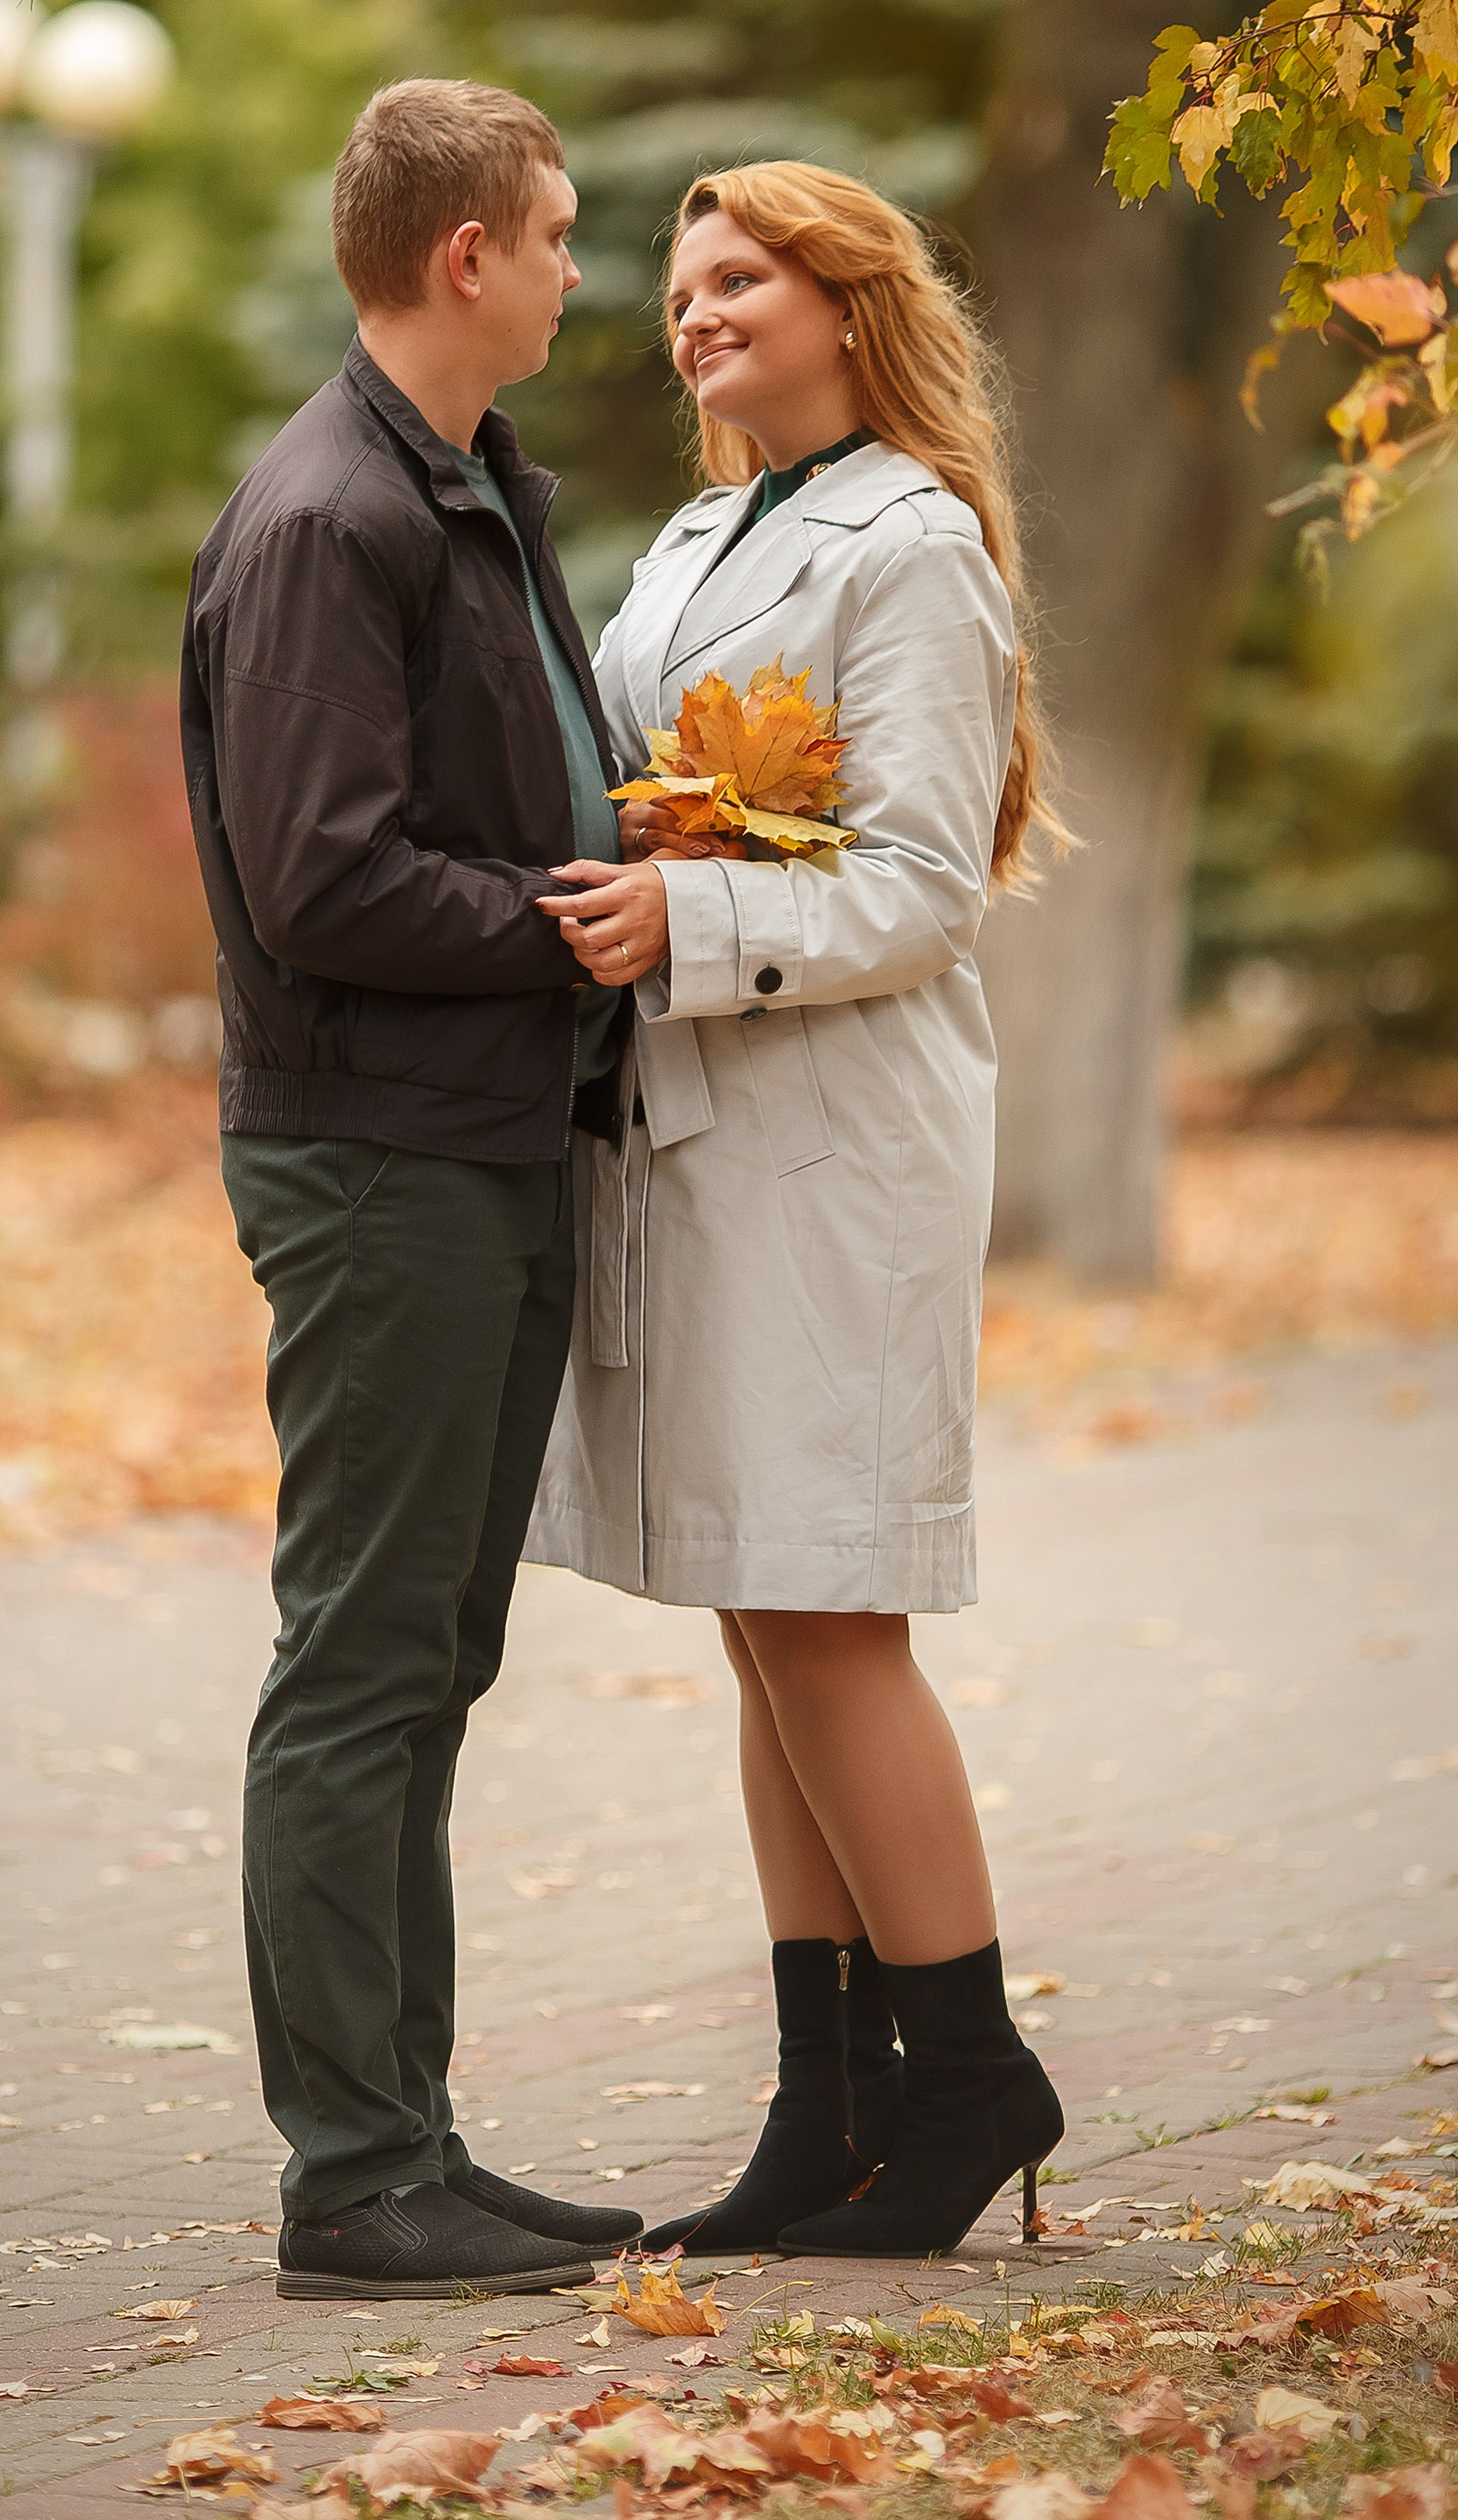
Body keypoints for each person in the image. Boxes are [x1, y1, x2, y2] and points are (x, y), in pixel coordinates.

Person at [530, 161, 1066, 2261]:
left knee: (831, 1609)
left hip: (835, 1137)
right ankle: (824, 2109)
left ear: (847, 304)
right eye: (676, 289)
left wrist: (687, 908)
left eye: (737, 277)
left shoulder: (910, 543)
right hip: (701, 1124)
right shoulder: (687, 538)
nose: (691, 313)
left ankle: (973, 2071)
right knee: (767, 1617)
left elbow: (923, 886)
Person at [179, 79, 640, 2300]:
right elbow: (322, 875)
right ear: (465, 257)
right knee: (360, 1660)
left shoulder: (463, 490)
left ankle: (415, 2139)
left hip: (479, 1138)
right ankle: (351, 2172)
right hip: (377, 1158)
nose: (578, 271)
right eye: (556, 237)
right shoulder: (325, 515)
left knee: (426, 1657)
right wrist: (571, 922)